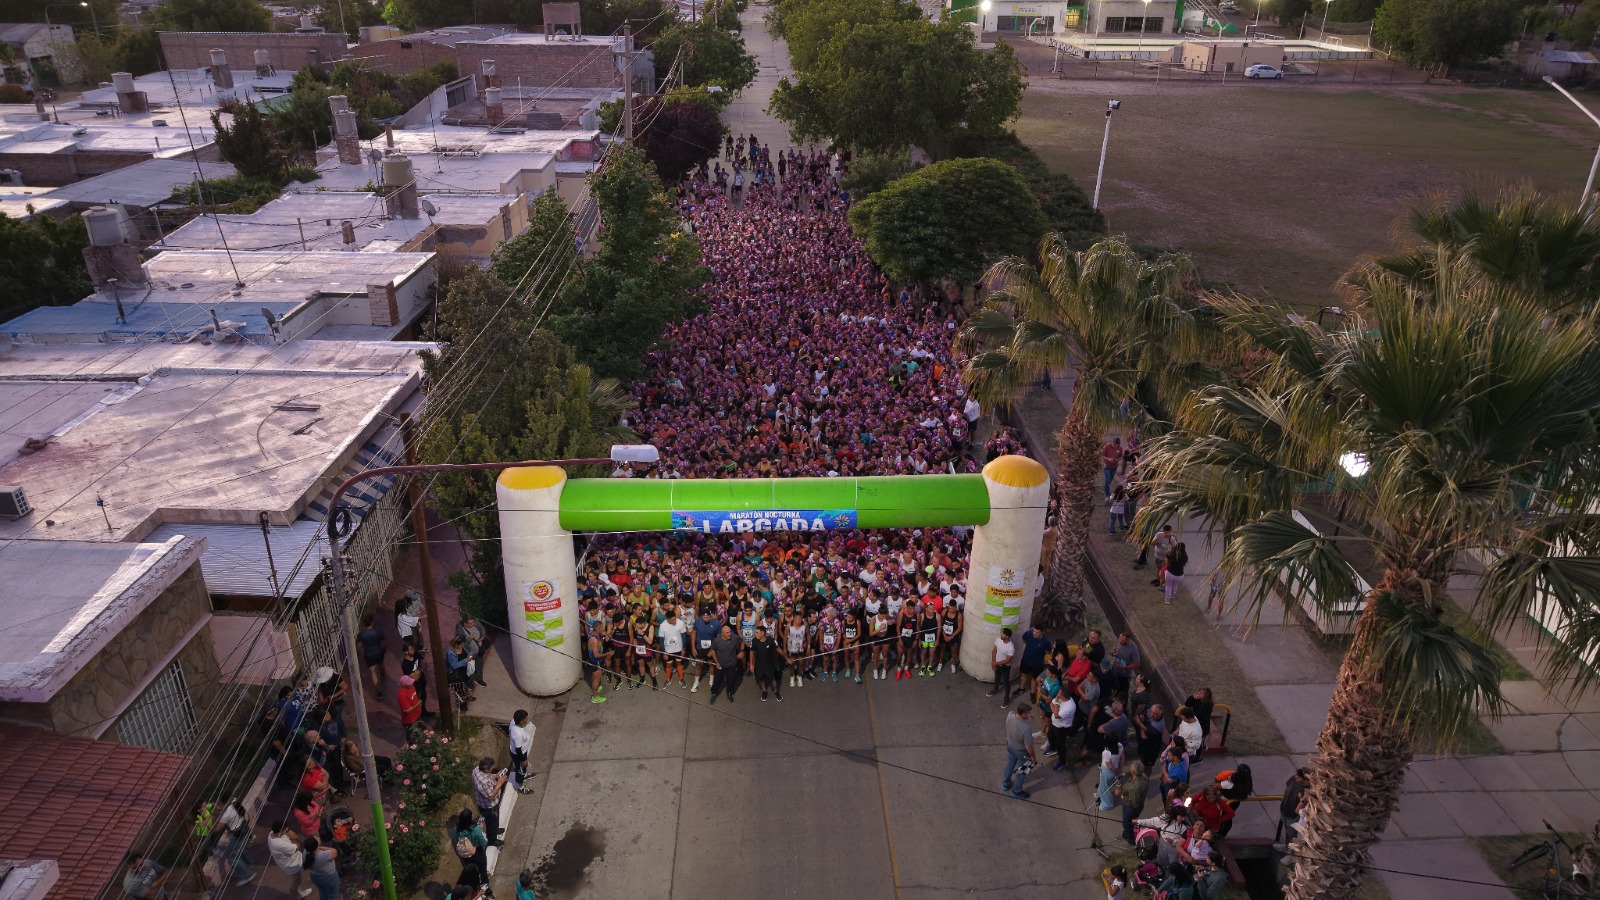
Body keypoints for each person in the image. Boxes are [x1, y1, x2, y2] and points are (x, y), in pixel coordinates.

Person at [1002, 702, 1038, 800]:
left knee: (1010, 763)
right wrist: (1033, 758)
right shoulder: (1026, 729)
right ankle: (1017, 791)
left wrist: (1028, 716)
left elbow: (1016, 717)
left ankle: (1005, 784)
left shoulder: (1010, 715)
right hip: (1021, 752)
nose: (1029, 714)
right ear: (1023, 714)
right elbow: (1029, 746)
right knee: (1022, 771)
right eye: (1028, 713)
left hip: (1010, 745)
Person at [268, 822, 314, 898]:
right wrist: (291, 838)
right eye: (285, 830)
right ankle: (294, 896)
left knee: (296, 880)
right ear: (280, 831)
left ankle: (297, 893)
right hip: (291, 865)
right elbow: (297, 844)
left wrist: (287, 832)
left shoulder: (271, 833)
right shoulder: (281, 844)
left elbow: (293, 837)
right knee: (297, 881)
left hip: (287, 862)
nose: (287, 831)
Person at [473, 757, 509, 847]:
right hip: (489, 806)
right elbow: (490, 796)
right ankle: (492, 840)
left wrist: (496, 776)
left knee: (494, 822)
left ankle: (495, 829)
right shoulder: (483, 783)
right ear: (486, 769)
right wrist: (500, 783)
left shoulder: (477, 769)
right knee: (492, 822)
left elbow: (487, 775)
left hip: (483, 803)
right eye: (491, 768)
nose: (493, 768)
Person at [709, 623, 745, 703]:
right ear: (722, 634)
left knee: (731, 680)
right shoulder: (717, 640)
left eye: (730, 632)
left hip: (732, 664)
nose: (730, 634)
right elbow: (713, 650)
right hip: (720, 665)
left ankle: (729, 693)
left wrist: (741, 651)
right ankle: (714, 693)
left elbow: (742, 641)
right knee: (717, 680)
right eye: (727, 633)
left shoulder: (735, 637)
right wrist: (716, 662)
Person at [749, 623, 785, 701]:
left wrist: (787, 658)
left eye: (757, 633)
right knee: (761, 679)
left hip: (769, 665)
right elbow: (751, 652)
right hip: (758, 665)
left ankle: (776, 692)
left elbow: (778, 649)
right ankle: (764, 691)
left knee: (772, 680)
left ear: (762, 633)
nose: (755, 634)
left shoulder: (771, 640)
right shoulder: (754, 641)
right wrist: (751, 664)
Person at [1116, 760, 1149, 844]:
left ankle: (1131, 840)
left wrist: (1121, 793)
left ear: (1133, 771)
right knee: (1129, 822)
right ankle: (1126, 834)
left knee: (1126, 823)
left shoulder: (1135, 787)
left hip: (1130, 808)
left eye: (1130, 767)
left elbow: (1134, 802)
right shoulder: (1144, 776)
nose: (1129, 768)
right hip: (1139, 805)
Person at [454, 809, 489, 885]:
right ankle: (485, 887)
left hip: (465, 856)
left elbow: (456, 841)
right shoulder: (476, 829)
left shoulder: (457, 830)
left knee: (472, 872)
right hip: (478, 853)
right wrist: (481, 829)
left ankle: (475, 886)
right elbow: (484, 842)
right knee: (483, 871)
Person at [1017, 624, 1051, 701]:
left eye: (1037, 632)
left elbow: (1048, 651)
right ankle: (1022, 688)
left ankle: (1033, 693)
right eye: (1034, 631)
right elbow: (1024, 639)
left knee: (1034, 678)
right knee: (1023, 674)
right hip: (1026, 660)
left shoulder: (1045, 641)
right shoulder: (1028, 634)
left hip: (1037, 664)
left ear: (1042, 632)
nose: (1035, 633)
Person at [1279, 767, 1311, 844]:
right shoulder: (1293, 779)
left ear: (1306, 780)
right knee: (1286, 829)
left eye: (1299, 777)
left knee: (1291, 834)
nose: (1296, 777)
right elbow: (1287, 786)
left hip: (1293, 817)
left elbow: (1305, 809)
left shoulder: (1309, 791)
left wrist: (1297, 819)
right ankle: (1286, 846)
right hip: (1284, 810)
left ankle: (1289, 849)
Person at [356, 613, 387, 688]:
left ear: (363, 623)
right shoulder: (378, 631)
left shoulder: (361, 634)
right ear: (372, 621)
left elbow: (359, 646)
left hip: (369, 654)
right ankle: (383, 674)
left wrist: (357, 654)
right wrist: (385, 649)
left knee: (373, 672)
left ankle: (378, 692)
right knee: (381, 664)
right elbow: (384, 641)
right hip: (378, 651)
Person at [457, 615, 489, 688]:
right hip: (470, 653)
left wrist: (482, 637)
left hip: (479, 650)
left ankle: (479, 679)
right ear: (465, 623)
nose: (473, 624)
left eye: (473, 622)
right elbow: (461, 645)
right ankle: (470, 682)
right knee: (470, 668)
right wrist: (469, 639)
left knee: (479, 666)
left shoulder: (476, 623)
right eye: (470, 623)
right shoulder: (461, 630)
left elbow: (482, 629)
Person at [987, 627, 1016, 705]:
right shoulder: (998, 640)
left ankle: (1006, 698)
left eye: (1003, 634)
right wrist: (993, 662)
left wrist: (995, 663)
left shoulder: (1010, 647)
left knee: (1006, 682)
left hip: (1005, 667)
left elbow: (1007, 660)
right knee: (997, 677)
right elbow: (994, 651)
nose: (1001, 635)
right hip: (997, 664)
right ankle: (995, 689)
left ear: (1007, 636)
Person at [400, 642, 430, 717]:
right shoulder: (405, 664)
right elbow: (414, 678)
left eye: (413, 649)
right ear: (406, 652)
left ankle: (424, 712)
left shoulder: (415, 655)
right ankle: (417, 716)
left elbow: (423, 657)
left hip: (422, 681)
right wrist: (422, 669)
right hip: (415, 686)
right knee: (417, 701)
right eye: (411, 650)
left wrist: (423, 651)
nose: (413, 651)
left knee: (423, 696)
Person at [509, 709, 535, 794]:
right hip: (519, 754)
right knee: (519, 771)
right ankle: (521, 787)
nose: (527, 719)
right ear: (521, 721)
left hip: (522, 751)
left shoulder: (514, 722)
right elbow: (518, 749)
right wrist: (523, 760)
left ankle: (525, 774)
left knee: (523, 768)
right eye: (526, 718)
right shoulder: (518, 734)